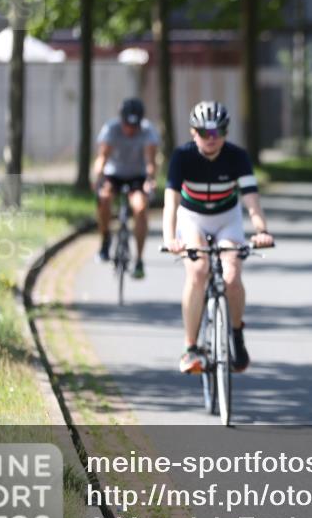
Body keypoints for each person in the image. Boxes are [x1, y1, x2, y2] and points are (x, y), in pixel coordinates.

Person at [162, 100, 274, 375]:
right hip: (192, 219)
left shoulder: (237, 157)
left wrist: (261, 231)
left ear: (225, 133)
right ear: (192, 132)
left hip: (227, 219)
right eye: (203, 132)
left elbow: (252, 203)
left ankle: (236, 334)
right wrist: (170, 239)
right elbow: (171, 204)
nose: (210, 139)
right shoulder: (182, 156)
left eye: (216, 133)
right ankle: (191, 348)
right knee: (198, 271)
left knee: (232, 275)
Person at [93, 97, 158, 278]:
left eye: (134, 126)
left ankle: (139, 259)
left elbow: (150, 162)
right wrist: (98, 177)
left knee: (140, 208)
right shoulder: (111, 129)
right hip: (114, 174)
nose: (130, 130)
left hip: (137, 176)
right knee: (104, 198)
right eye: (127, 125)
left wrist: (150, 179)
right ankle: (105, 240)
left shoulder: (147, 131)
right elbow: (102, 158)